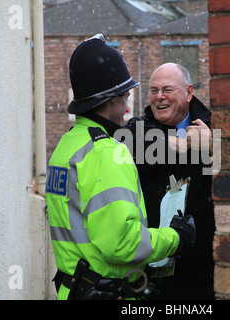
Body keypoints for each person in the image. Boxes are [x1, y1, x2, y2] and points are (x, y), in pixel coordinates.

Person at [45, 35, 195, 300]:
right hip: (106, 292)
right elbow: (123, 244)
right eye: (125, 96)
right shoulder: (107, 152)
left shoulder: (68, 144)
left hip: (73, 288)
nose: (128, 107)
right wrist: (175, 237)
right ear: (110, 99)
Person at [125, 63, 215, 300]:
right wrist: (163, 144)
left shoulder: (211, 129)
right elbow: (116, 149)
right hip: (150, 265)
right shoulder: (137, 130)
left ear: (188, 92)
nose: (159, 97)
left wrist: (213, 147)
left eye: (167, 89)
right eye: (153, 90)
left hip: (199, 268)